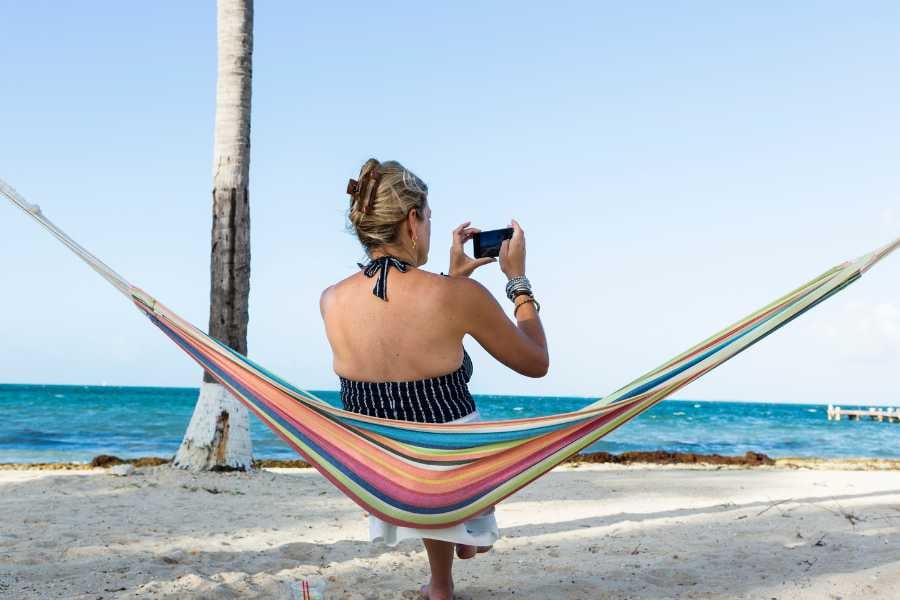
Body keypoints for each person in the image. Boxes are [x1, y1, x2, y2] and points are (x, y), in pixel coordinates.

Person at [319, 158, 549, 600]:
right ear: (412, 220)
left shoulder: (330, 300)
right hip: (451, 468)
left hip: (386, 467)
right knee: (447, 429)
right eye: (428, 218)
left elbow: (400, 337)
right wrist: (518, 282)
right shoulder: (457, 297)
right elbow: (536, 362)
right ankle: (468, 518)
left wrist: (453, 280)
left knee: (420, 429)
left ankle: (440, 583)